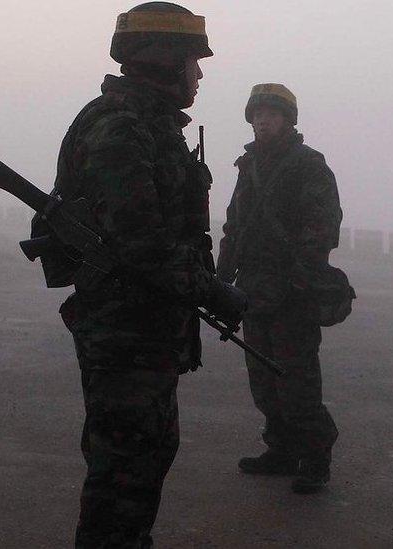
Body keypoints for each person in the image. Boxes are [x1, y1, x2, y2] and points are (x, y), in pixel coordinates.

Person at [49, 3, 246, 546]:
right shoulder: (122, 129)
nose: (199, 73)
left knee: (144, 459)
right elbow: (143, 245)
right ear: (163, 61)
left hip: (143, 332)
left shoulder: (147, 125)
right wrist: (217, 293)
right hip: (125, 335)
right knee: (123, 476)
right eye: (192, 60)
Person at [217, 83, 342, 495]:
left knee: (297, 378)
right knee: (264, 379)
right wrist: (221, 278)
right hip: (254, 289)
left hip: (293, 291)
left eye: (270, 114)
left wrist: (300, 278)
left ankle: (315, 456)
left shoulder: (308, 165)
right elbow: (235, 226)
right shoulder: (248, 166)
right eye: (256, 114)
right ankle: (282, 450)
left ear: (288, 120)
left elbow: (321, 226)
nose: (261, 121)